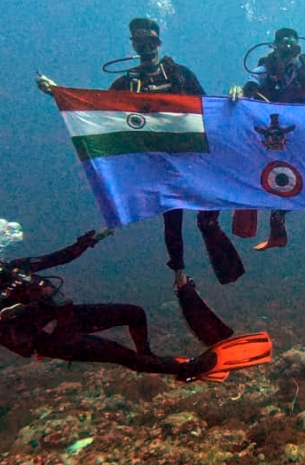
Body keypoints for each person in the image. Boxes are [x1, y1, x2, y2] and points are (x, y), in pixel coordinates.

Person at [0, 230, 269, 382]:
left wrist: (91, 239)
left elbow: (61, 257)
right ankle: (182, 370)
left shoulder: (16, 268)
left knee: (133, 312)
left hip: (68, 317)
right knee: (118, 354)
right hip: (52, 340)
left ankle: (150, 357)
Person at [37, 17, 244, 287]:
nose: (146, 46)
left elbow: (206, 107)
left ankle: (210, 231)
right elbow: (97, 109)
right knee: (172, 216)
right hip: (156, 160)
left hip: (192, 156)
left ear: (159, 42)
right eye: (140, 41)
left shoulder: (181, 74)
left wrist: (233, 97)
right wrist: (56, 92)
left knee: (209, 207)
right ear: (133, 44)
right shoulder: (127, 83)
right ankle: (180, 275)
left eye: (151, 41)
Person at [229, 27, 305, 252]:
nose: (288, 55)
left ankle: (278, 221)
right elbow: (249, 89)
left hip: (301, 135)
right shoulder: (263, 68)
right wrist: (239, 91)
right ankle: (251, 218)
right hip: (270, 135)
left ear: (298, 49)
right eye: (283, 50)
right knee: (258, 172)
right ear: (274, 49)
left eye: (292, 49)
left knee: (299, 177)